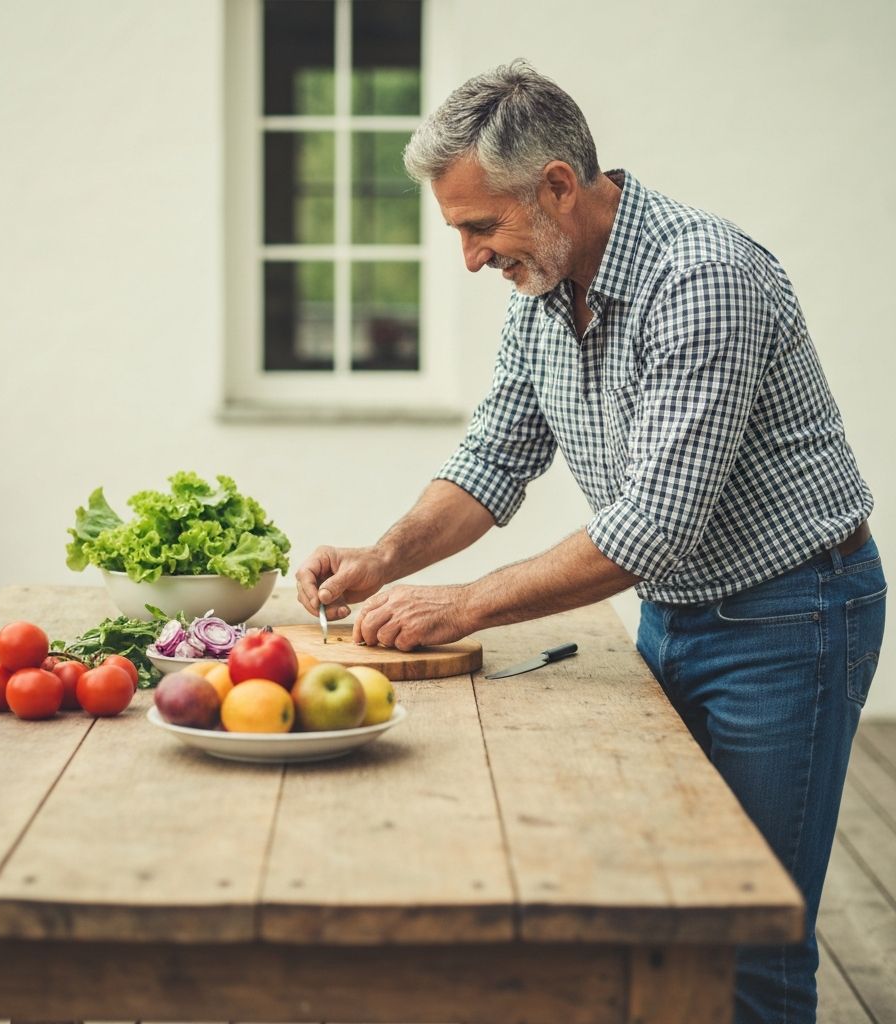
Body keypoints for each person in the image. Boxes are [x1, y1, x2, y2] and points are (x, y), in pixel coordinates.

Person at [295, 59, 886, 1023]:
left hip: (794, 616)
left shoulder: (703, 277)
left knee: (751, 942)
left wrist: (466, 602)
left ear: (558, 187)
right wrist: (385, 558)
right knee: (658, 906)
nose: (473, 259)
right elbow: (494, 455)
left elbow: (654, 523)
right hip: (678, 607)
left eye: (480, 227)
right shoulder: (545, 285)